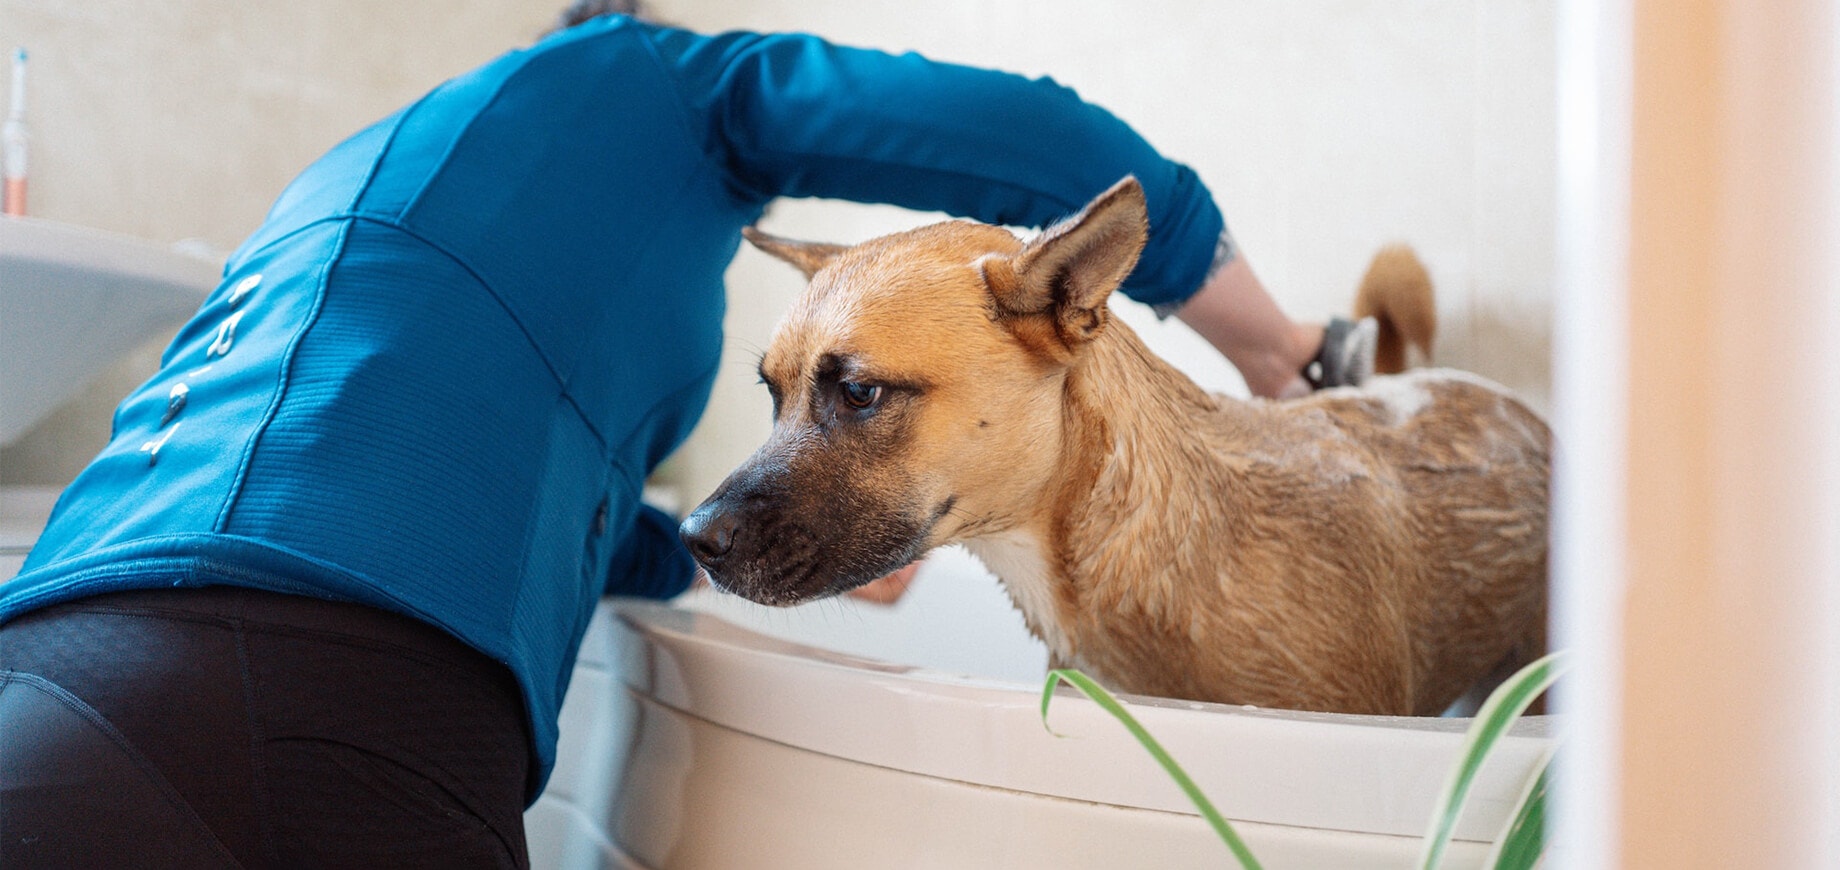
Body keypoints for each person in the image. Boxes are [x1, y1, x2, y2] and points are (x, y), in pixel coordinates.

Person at [0, 5, 1370, 867]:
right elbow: (1030, 137)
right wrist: (1275, 340)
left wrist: (748, 544)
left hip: (52, 666)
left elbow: (543, 511)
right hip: (338, 694)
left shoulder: (373, 178)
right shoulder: (653, 76)